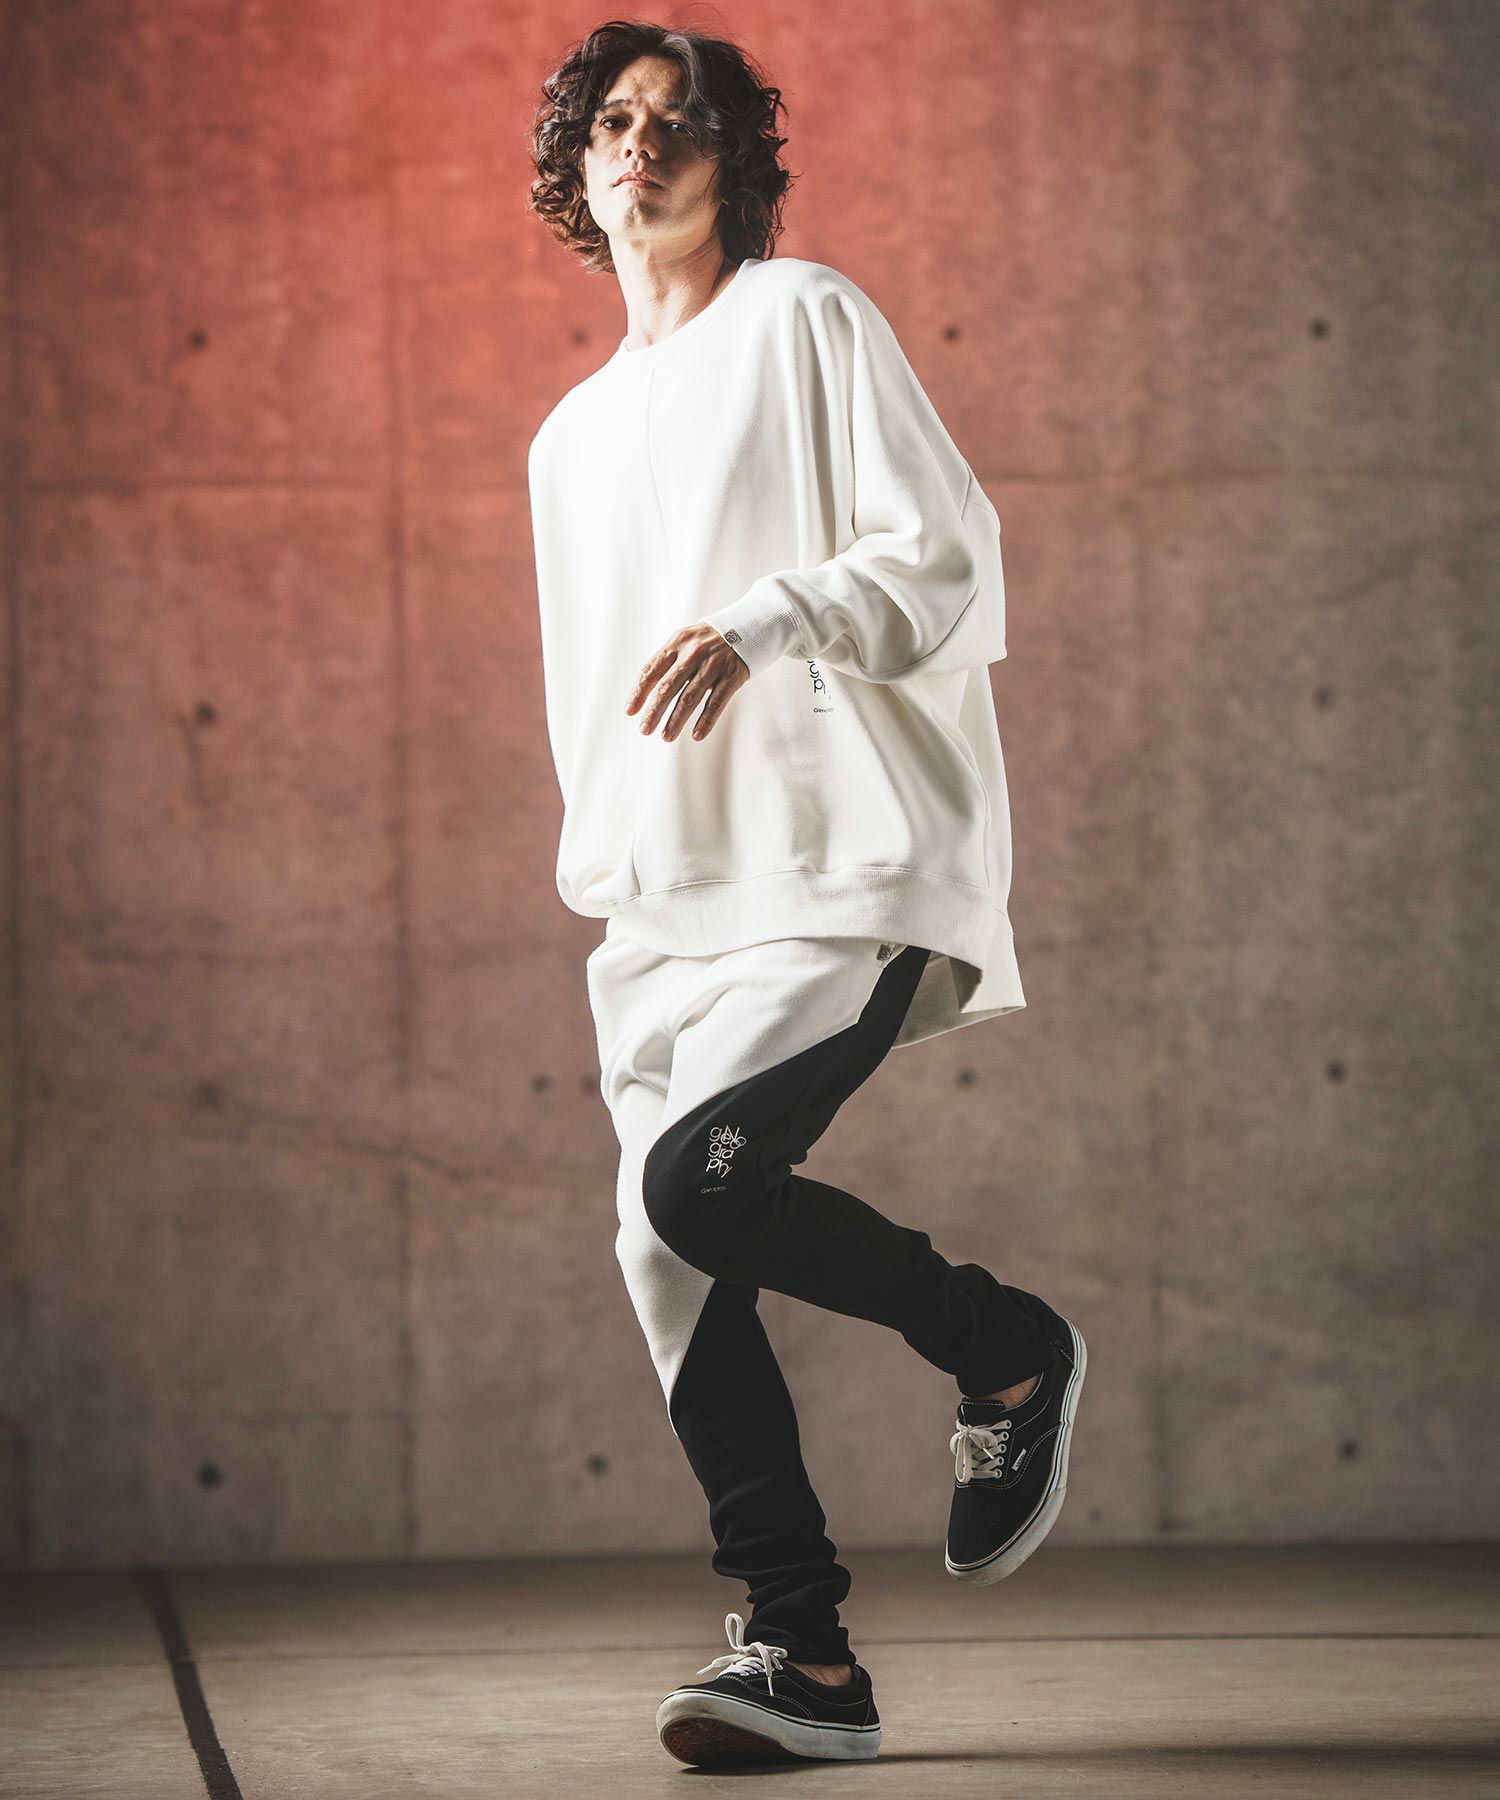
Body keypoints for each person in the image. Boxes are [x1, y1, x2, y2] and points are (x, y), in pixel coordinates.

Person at [525, 20, 1087, 1770]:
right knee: (663, 1246)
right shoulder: (567, 437)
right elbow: (591, 702)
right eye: (613, 122)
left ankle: (1006, 1346)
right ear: (576, 165)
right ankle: (807, 1659)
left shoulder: (805, 315)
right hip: (664, 909)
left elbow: (946, 554)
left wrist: (770, 620)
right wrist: (612, 885)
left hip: (840, 864)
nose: (642, 144)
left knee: (699, 1184)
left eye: (678, 122)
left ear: (734, 160)